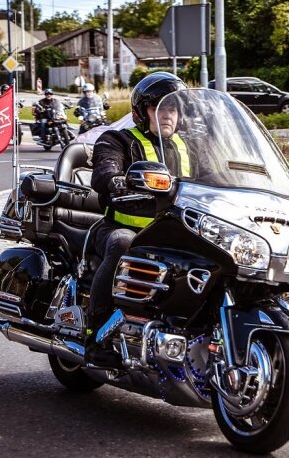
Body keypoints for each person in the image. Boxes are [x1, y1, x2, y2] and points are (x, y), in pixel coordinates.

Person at [86, 71, 190, 366]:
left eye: (172, 108)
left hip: (176, 233)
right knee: (123, 244)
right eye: (158, 107)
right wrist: (117, 180)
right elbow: (104, 171)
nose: (167, 115)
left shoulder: (189, 145)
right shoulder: (117, 139)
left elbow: (218, 174)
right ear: (140, 112)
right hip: (121, 228)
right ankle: (97, 334)